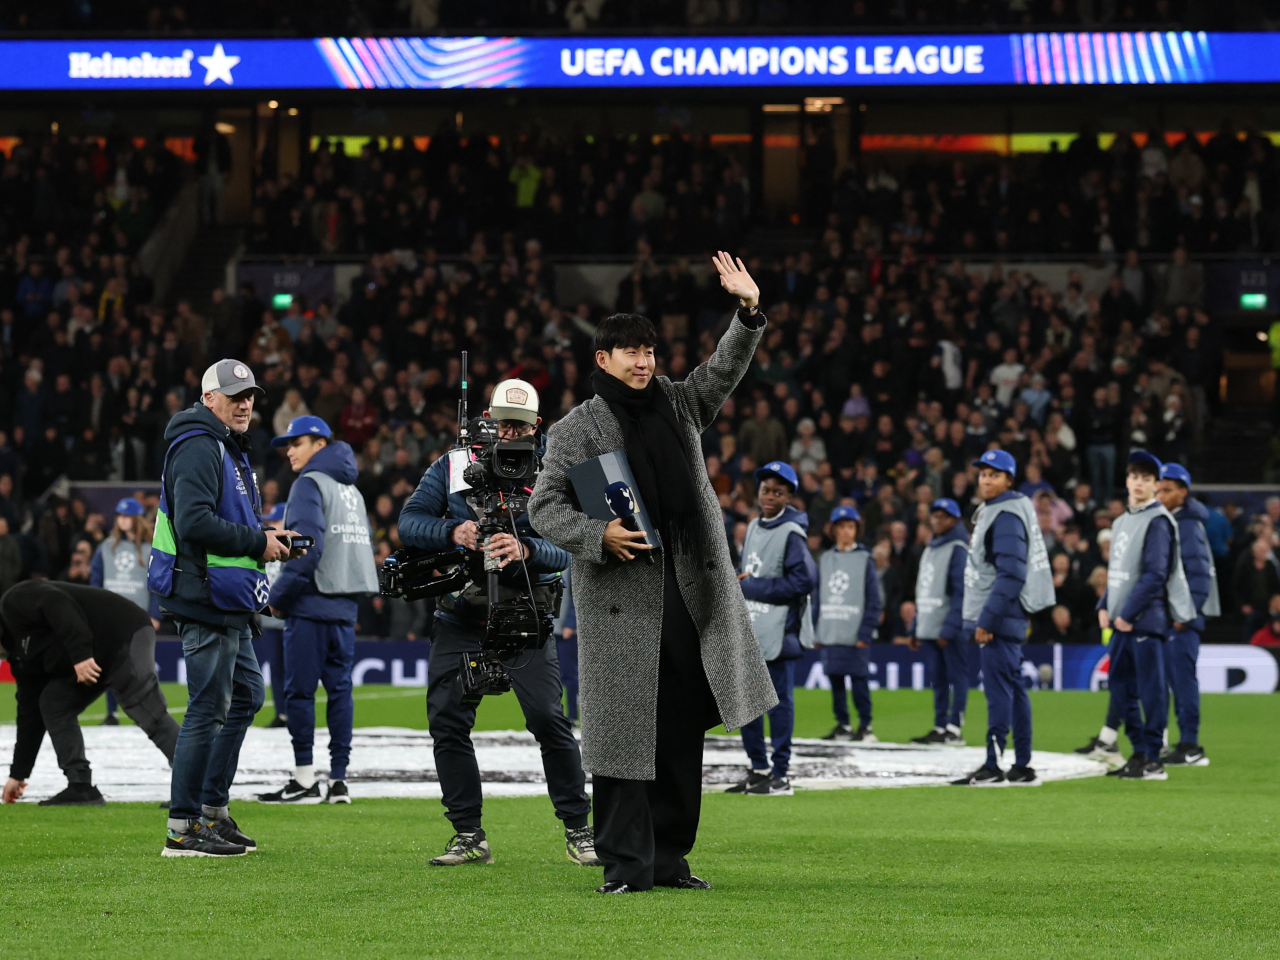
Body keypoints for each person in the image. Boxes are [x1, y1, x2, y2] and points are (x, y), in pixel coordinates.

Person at [528, 251, 776, 894]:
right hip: (620, 597)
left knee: (678, 736)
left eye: (649, 351)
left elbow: (723, 369)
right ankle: (623, 863)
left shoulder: (677, 401)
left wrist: (747, 311)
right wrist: (596, 534)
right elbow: (543, 507)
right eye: (629, 353)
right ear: (602, 361)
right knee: (620, 741)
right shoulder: (575, 429)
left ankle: (669, 861)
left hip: (689, 593)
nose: (643, 362)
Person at [398, 379, 596, 867]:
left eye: (520, 425)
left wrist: (526, 547)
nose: (510, 433)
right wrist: (454, 529)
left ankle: (579, 829)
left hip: (527, 612)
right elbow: (409, 522)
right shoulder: (453, 463)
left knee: (549, 720)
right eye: (503, 422)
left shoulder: (560, 467)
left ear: (537, 426)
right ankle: (468, 833)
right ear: (485, 419)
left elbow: (576, 546)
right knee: (447, 721)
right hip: (461, 613)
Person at [148, 359, 302, 857]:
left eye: (250, 395)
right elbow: (193, 522)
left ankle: (211, 809)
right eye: (234, 395)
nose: (245, 403)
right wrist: (258, 543)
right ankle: (182, 826)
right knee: (208, 706)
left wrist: (267, 539)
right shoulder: (198, 444)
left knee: (246, 696)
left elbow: (221, 521)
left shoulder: (223, 446)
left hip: (225, 595)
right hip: (201, 594)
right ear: (208, 397)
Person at [258, 416, 379, 804]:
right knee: (341, 692)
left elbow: (305, 549)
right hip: (345, 606)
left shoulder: (308, 484)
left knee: (299, 694)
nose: (290, 450)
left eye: (298, 442)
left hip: (310, 604)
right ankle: (339, 779)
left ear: (321, 445)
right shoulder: (352, 490)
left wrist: (276, 597)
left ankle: (305, 778)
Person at [1, 581, 179, 806]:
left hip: (122, 631)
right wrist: (18, 774)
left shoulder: (15, 601)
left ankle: (195, 790)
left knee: (146, 710)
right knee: (53, 702)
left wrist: (80, 654)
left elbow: (57, 603)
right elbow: (29, 714)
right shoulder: (19, 659)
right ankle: (81, 787)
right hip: (92, 656)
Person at [952, 449, 1054, 787]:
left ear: (1009, 480)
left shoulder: (1005, 515)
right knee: (1013, 689)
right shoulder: (1003, 509)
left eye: (994, 474)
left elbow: (1011, 574)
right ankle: (1021, 765)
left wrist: (987, 619)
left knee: (998, 692)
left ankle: (993, 766)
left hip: (1000, 617)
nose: (986, 479)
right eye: (982, 473)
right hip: (1008, 615)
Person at [1095, 451, 1197, 781]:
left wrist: (1126, 613)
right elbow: (1119, 573)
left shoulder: (1158, 521)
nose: (1139, 483)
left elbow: (1155, 574)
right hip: (1122, 620)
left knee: (1151, 690)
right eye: (1134, 476)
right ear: (1127, 481)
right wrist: (1104, 607)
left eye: (1147, 478)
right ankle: (1138, 753)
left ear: (1156, 485)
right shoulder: (1123, 520)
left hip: (1145, 620)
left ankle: (1154, 759)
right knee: (1120, 689)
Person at [727, 460, 816, 796]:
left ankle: (781, 774)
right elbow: (750, 570)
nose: (770, 497)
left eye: (778, 492)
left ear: (788, 496)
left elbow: (804, 581)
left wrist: (752, 587)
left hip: (778, 631)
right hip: (751, 627)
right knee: (747, 702)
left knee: (778, 703)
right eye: (766, 490)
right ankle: (759, 769)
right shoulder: (752, 526)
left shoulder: (793, 533)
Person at [90, 497, 161, 726]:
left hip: (138, 615)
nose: (122, 520)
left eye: (127, 516)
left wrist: (154, 614)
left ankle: (150, 711)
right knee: (110, 665)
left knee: (141, 667)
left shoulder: (150, 549)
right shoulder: (105, 548)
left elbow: (155, 585)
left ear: (136, 519)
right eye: (119, 515)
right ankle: (112, 713)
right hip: (110, 615)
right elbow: (96, 583)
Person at [814, 504, 881, 743]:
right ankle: (843, 725)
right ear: (833, 530)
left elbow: (874, 600)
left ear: (857, 529)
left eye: (850, 526)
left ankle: (866, 726)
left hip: (855, 635)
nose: (845, 531)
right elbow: (817, 597)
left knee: (859, 681)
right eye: (841, 526)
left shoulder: (865, 559)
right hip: (831, 631)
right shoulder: (825, 559)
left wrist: (865, 632)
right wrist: (815, 630)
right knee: (835, 681)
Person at [909, 498, 970, 745]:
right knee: (938, 678)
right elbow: (923, 590)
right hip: (930, 625)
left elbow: (961, 592)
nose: (937, 520)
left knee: (957, 676)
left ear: (954, 520)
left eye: (943, 517)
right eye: (935, 516)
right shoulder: (931, 548)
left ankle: (955, 728)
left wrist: (950, 627)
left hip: (948, 627)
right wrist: (915, 626)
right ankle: (940, 725)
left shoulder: (958, 549)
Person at [253, 503, 289, 728]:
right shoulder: (267, 549)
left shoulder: (296, 548)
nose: (272, 526)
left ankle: (294, 713)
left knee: (294, 669)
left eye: (276, 521)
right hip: (268, 618)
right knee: (275, 668)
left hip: (289, 617)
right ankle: (282, 713)